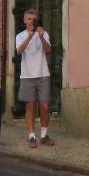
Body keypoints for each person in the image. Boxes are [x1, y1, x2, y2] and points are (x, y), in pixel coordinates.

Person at [14, 9, 54, 148]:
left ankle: (44, 135)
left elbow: (48, 50)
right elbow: (19, 51)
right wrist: (30, 37)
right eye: (29, 19)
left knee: (44, 106)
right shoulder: (20, 36)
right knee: (30, 106)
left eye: (34, 19)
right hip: (27, 75)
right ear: (25, 20)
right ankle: (31, 136)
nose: (32, 21)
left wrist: (41, 36)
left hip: (43, 74)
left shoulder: (44, 33)